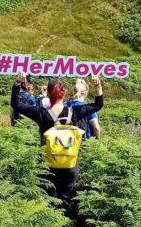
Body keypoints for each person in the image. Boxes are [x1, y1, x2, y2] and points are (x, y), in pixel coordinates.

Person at [10, 72, 104, 211]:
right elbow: (98, 105)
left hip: (47, 164)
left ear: (47, 93)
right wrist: (97, 86)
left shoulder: (41, 113)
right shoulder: (75, 111)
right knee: (65, 200)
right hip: (70, 163)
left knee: (48, 200)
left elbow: (15, 104)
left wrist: (18, 84)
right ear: (64, 93)